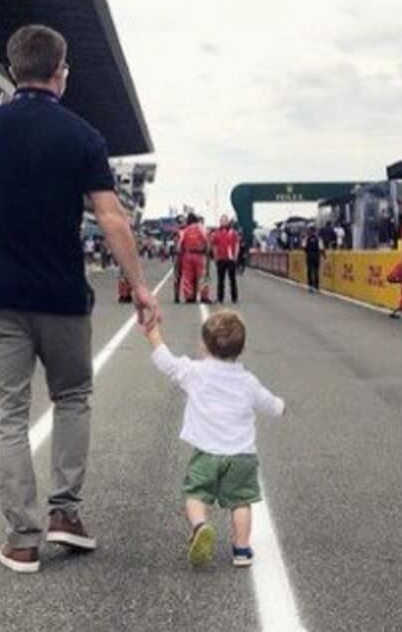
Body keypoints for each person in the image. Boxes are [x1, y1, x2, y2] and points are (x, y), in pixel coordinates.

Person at [0, 24, 159, 575]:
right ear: (62, 72)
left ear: (13, 71)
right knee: (74, 397)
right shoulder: (83, 136)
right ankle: (66, 513)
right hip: (62, 295)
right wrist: (139, 287)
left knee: (7, 412)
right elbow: (112, 217)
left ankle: (22, 538)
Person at [144, 311, 285, 568]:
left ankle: (200, 526)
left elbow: (166, 362)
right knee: (241, 501)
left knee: (196, 494)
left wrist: (153, 332)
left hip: (206, 453)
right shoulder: (248, 381)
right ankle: (241, 549)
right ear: (242, 350)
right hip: (241, 455)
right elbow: (270, 405)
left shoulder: (195, 372)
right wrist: (281, 406)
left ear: (203, 346)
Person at [178, 213, 209, 303]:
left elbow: (180, 244)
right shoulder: (201, 228)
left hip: (188, 255)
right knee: (202, 276)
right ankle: (204, 296)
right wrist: (207, 252)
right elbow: (206, 240)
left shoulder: (185, 230)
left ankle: (189, 296)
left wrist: (180, 254)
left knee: (188, 277)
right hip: (199, 255)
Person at [212, 215, 240, 304]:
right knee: (221, 280)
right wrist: (215, 257)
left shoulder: (233, 232)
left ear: (227, 222)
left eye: (225, 220)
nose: (223, 222)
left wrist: (235, 255)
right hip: (221, 259)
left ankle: (234, 298)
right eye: (221, 220)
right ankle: (220, 298)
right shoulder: (217, 233)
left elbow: (236, 244)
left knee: (232, 279)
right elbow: (214, 246)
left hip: (231, 259)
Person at [304, 225, 325, 293]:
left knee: (310, 271)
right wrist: (324, 256)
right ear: (315, 231)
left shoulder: (307, 238)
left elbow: (304, 247)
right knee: (316, 271)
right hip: (316, 256)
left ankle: (310, 286)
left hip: (309, 256)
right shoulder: (318, 238)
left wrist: (307, 252)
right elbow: (321, 248)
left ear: (310, 231)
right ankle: (316, 286)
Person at [172, 216, 187, 304]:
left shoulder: (188, 230)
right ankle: (176, 295)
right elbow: (175, 243)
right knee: (177, 276)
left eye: (183, 221)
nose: (182, 223)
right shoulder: (176, 232)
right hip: (178, 255)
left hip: (186, 255)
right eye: (180, 222)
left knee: (187, 276)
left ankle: (188, 295)